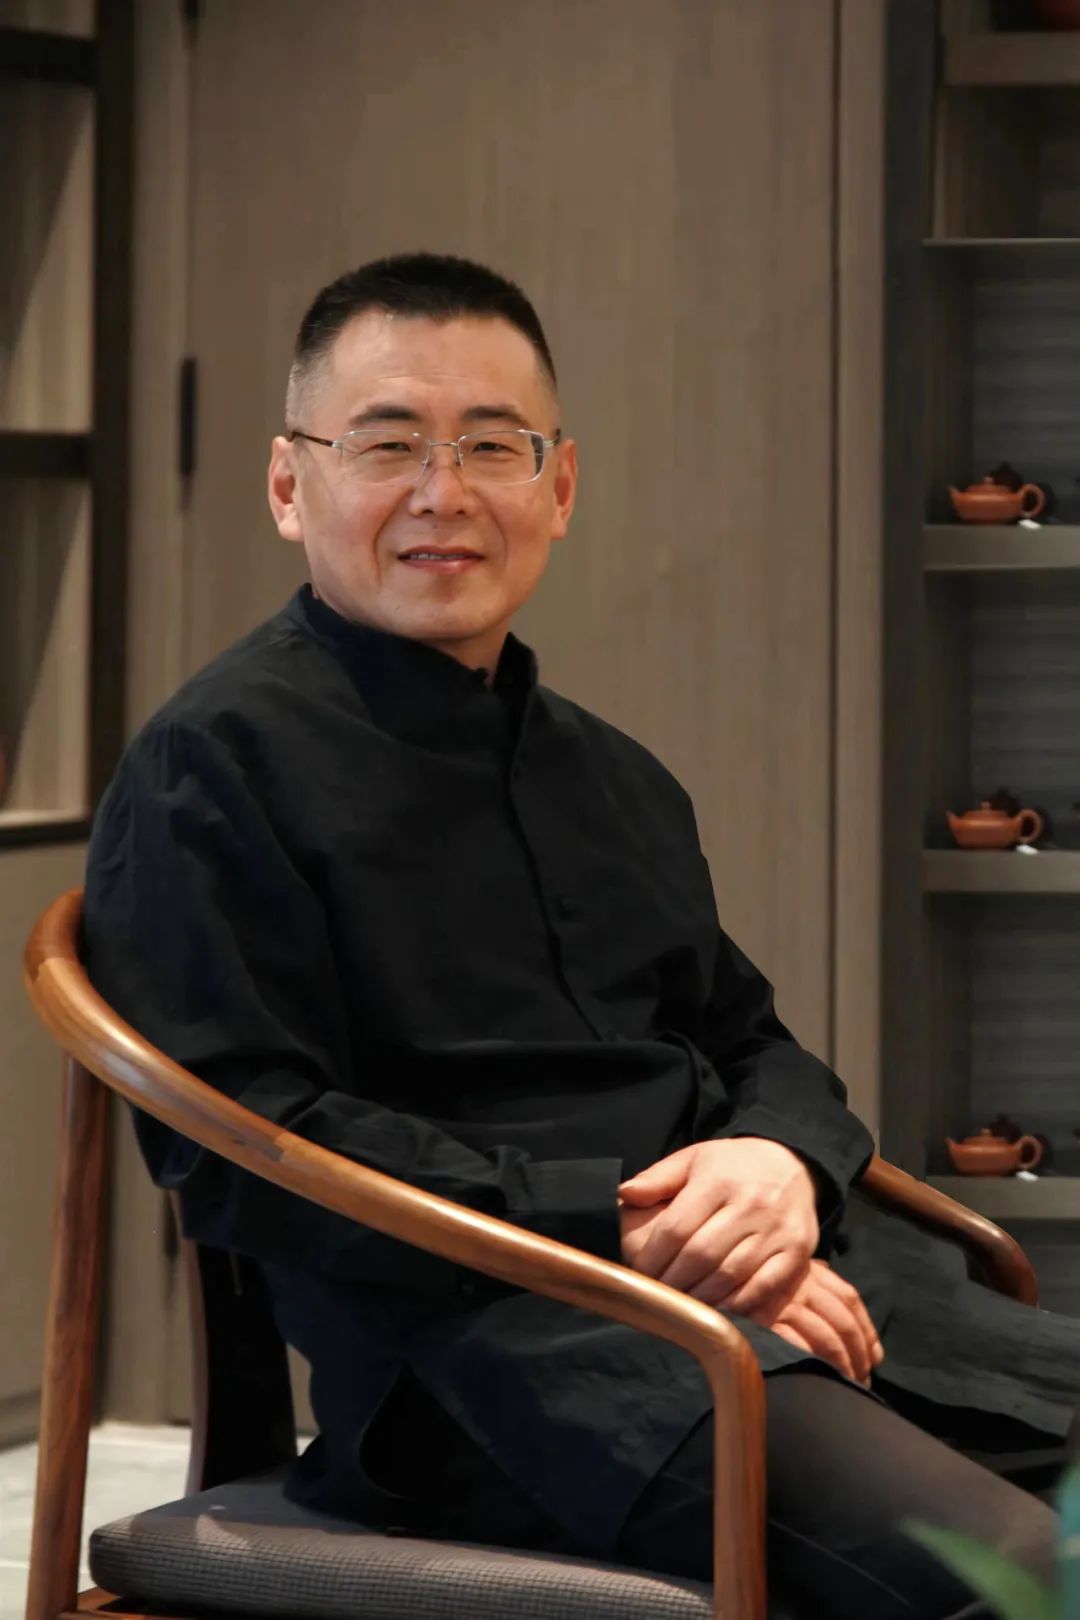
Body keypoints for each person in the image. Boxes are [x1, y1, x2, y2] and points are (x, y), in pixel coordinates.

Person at [84, 253, 1076, 1618]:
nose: (443, 493)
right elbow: (252, 1147)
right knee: (1021, 1573)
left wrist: (779, 1165)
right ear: (288, 484)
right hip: (497, 1365)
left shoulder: (611, 775)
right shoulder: (211, 766)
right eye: (388, 444)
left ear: (558, 489)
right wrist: (627, 1236)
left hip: (790, 1294)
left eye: (492, 446)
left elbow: (750, 1040)